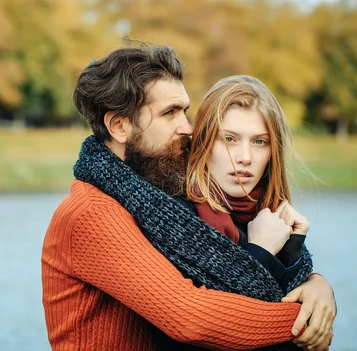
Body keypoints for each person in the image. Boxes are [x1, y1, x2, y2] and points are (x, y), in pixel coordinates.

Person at [41, 43, 336, 351]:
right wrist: (307, 320)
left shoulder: (155, 197)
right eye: (170, 113)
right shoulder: (92, 213)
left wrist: (315, 283)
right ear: (119, 126)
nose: (188, 128)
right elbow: (191, 318)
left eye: (185, 111)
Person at [155, 75, 326, 350]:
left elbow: (295, 333)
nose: (245, 156)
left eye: (260, 142)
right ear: (204, 144)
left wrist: (303, 268)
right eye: (230, 139)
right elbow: (201, 332)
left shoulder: (269, 220)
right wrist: (260, 251)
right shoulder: (172, 219)